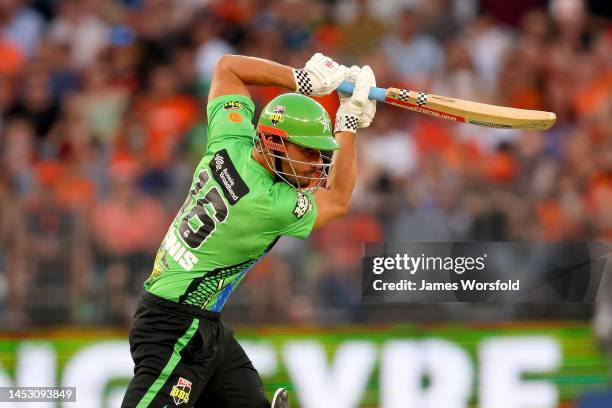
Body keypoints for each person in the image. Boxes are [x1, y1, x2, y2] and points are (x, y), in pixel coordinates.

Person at [121, 53, 376, 407]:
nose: (318, 165)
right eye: (309, 152)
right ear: (274, 143)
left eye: (321, 155)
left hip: (204, 326)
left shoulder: (231, 141)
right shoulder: (266, 203)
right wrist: (347, 123)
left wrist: (301, 80)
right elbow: (338, 201)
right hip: (173, 331)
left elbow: (228, 67)